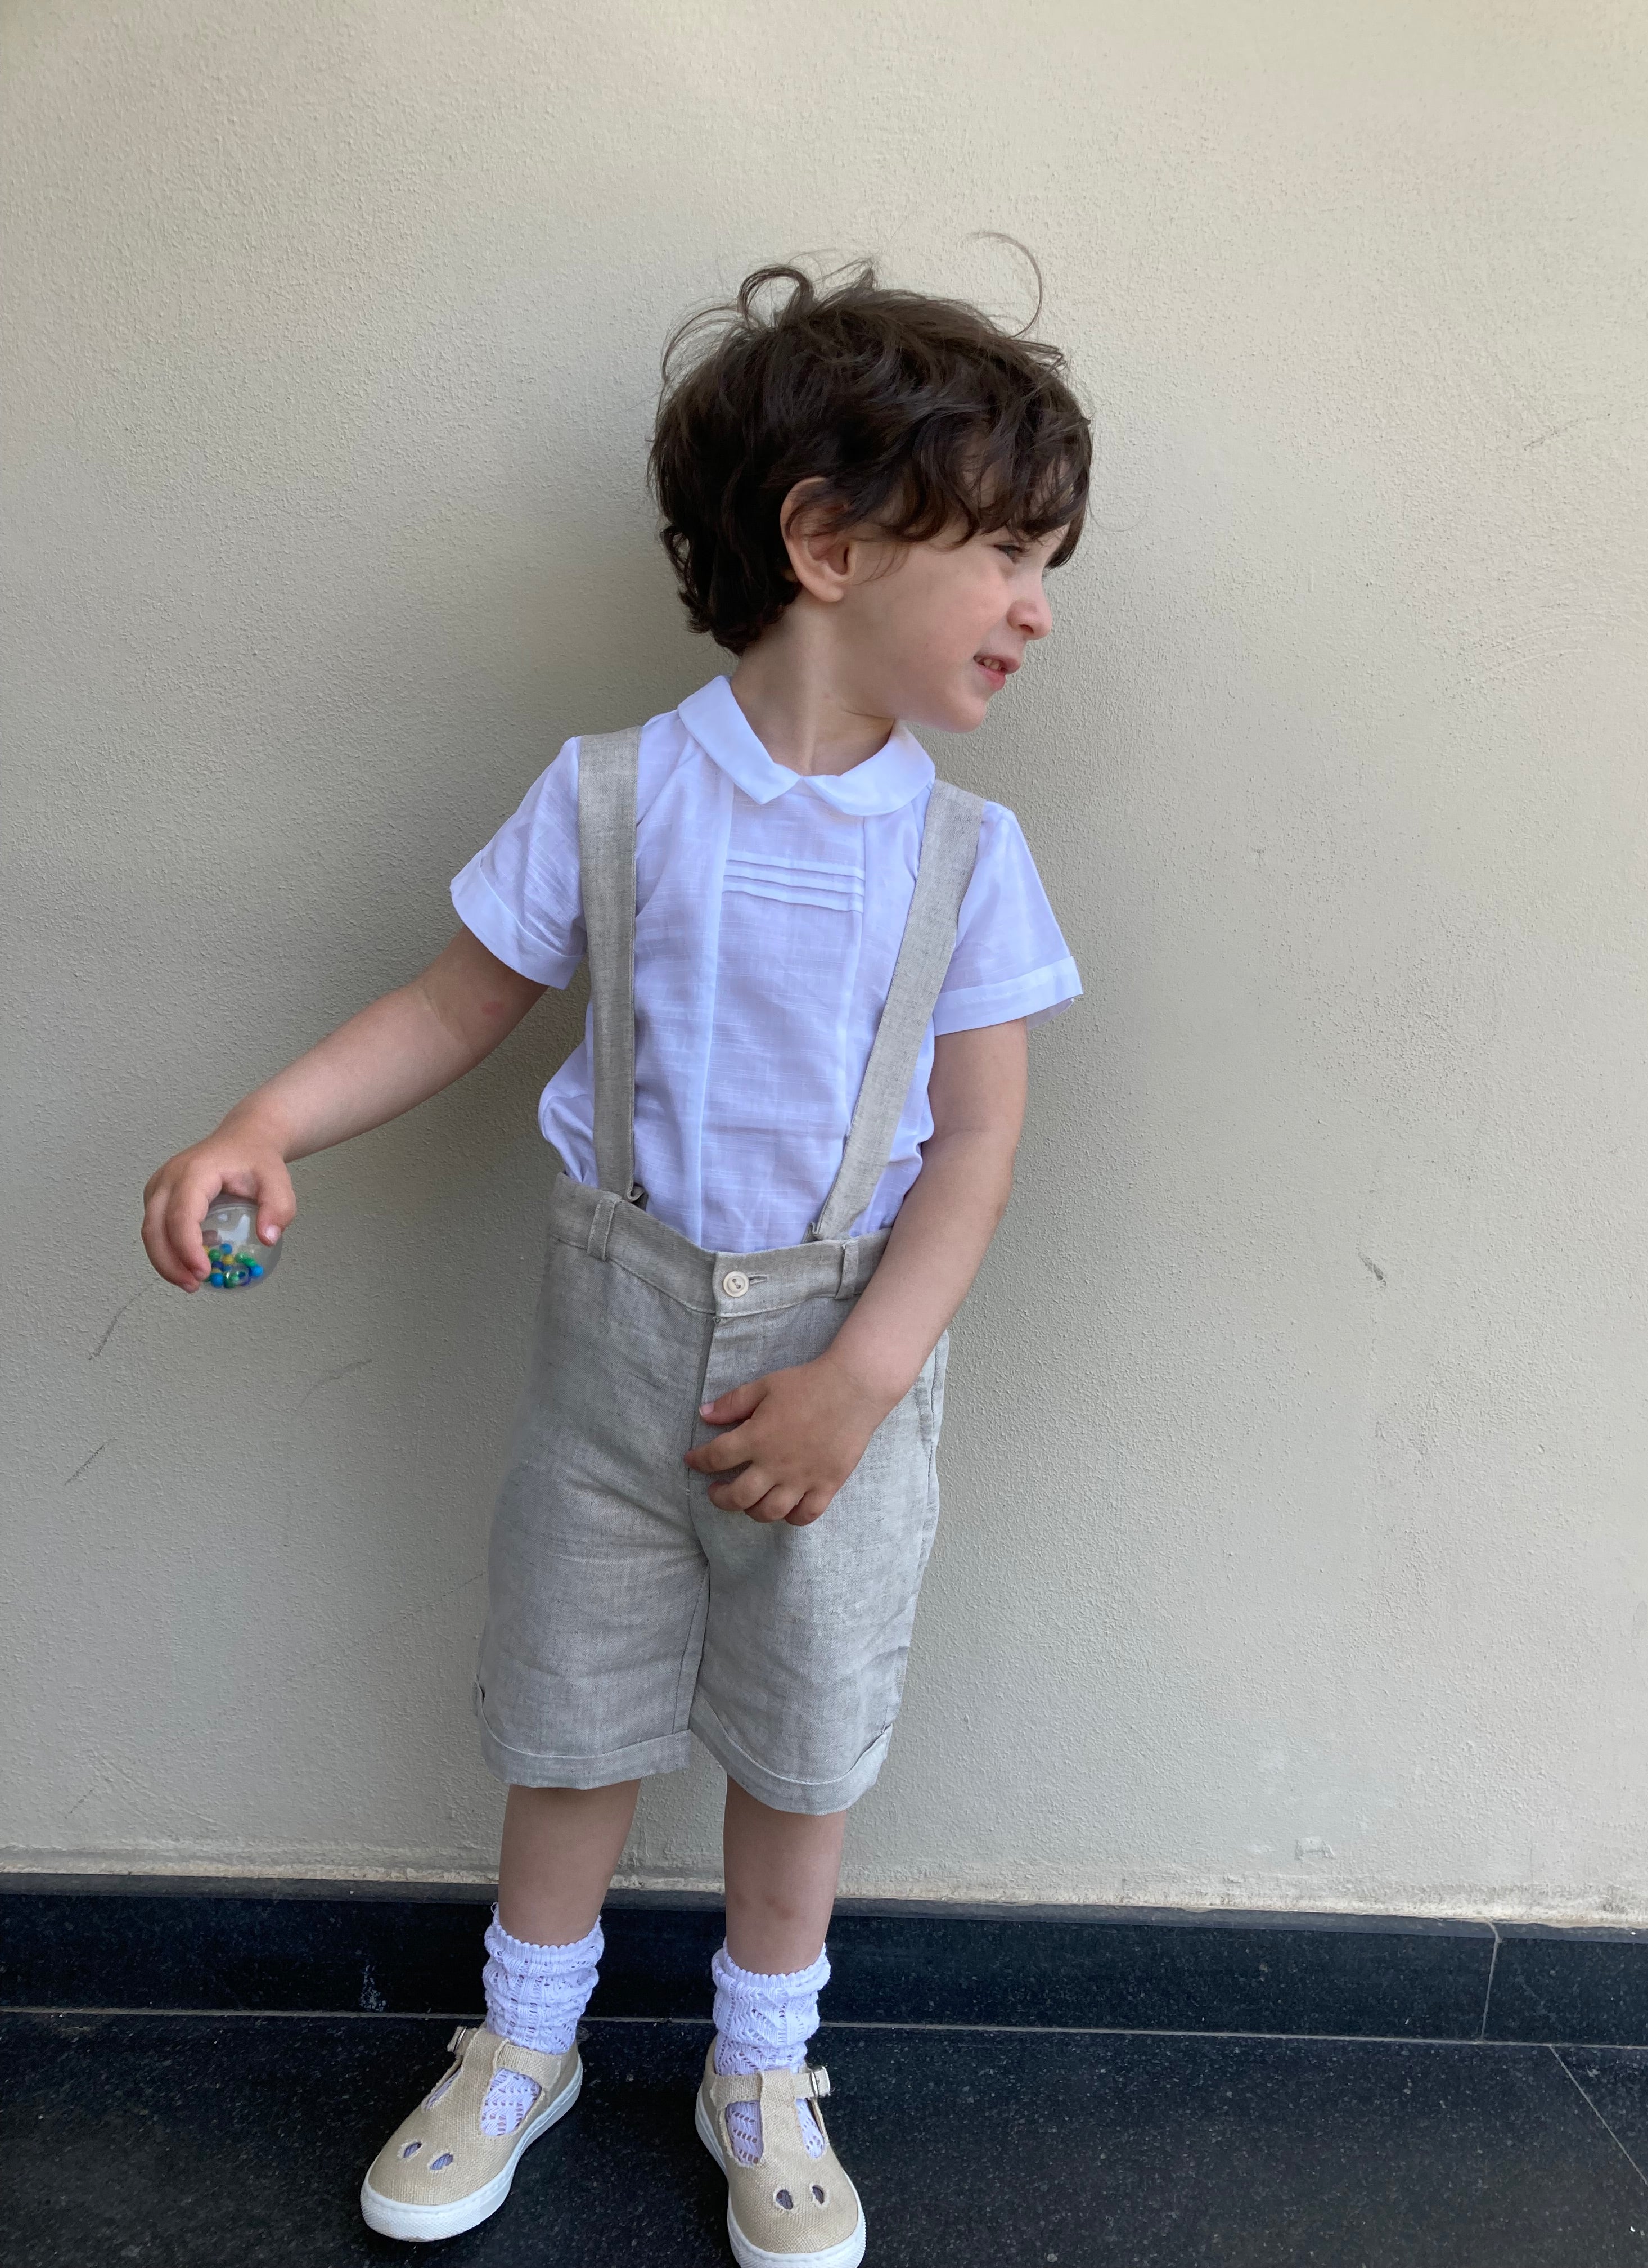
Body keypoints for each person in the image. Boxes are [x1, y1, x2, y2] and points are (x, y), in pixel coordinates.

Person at [141, 259, 1089, 2268]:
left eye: (1047, 563)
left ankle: (766, 2069)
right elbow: (456, 1002)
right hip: (614, 1356)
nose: (1038, 605)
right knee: (572, 1713)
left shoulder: (968, 860)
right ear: (828, 545)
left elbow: (981, 1150)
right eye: (1005, 552)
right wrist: (266, 1122)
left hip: (846, 1371)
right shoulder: (615, 796)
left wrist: (860, 1381)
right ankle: (523, 2042)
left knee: (804, 1736)